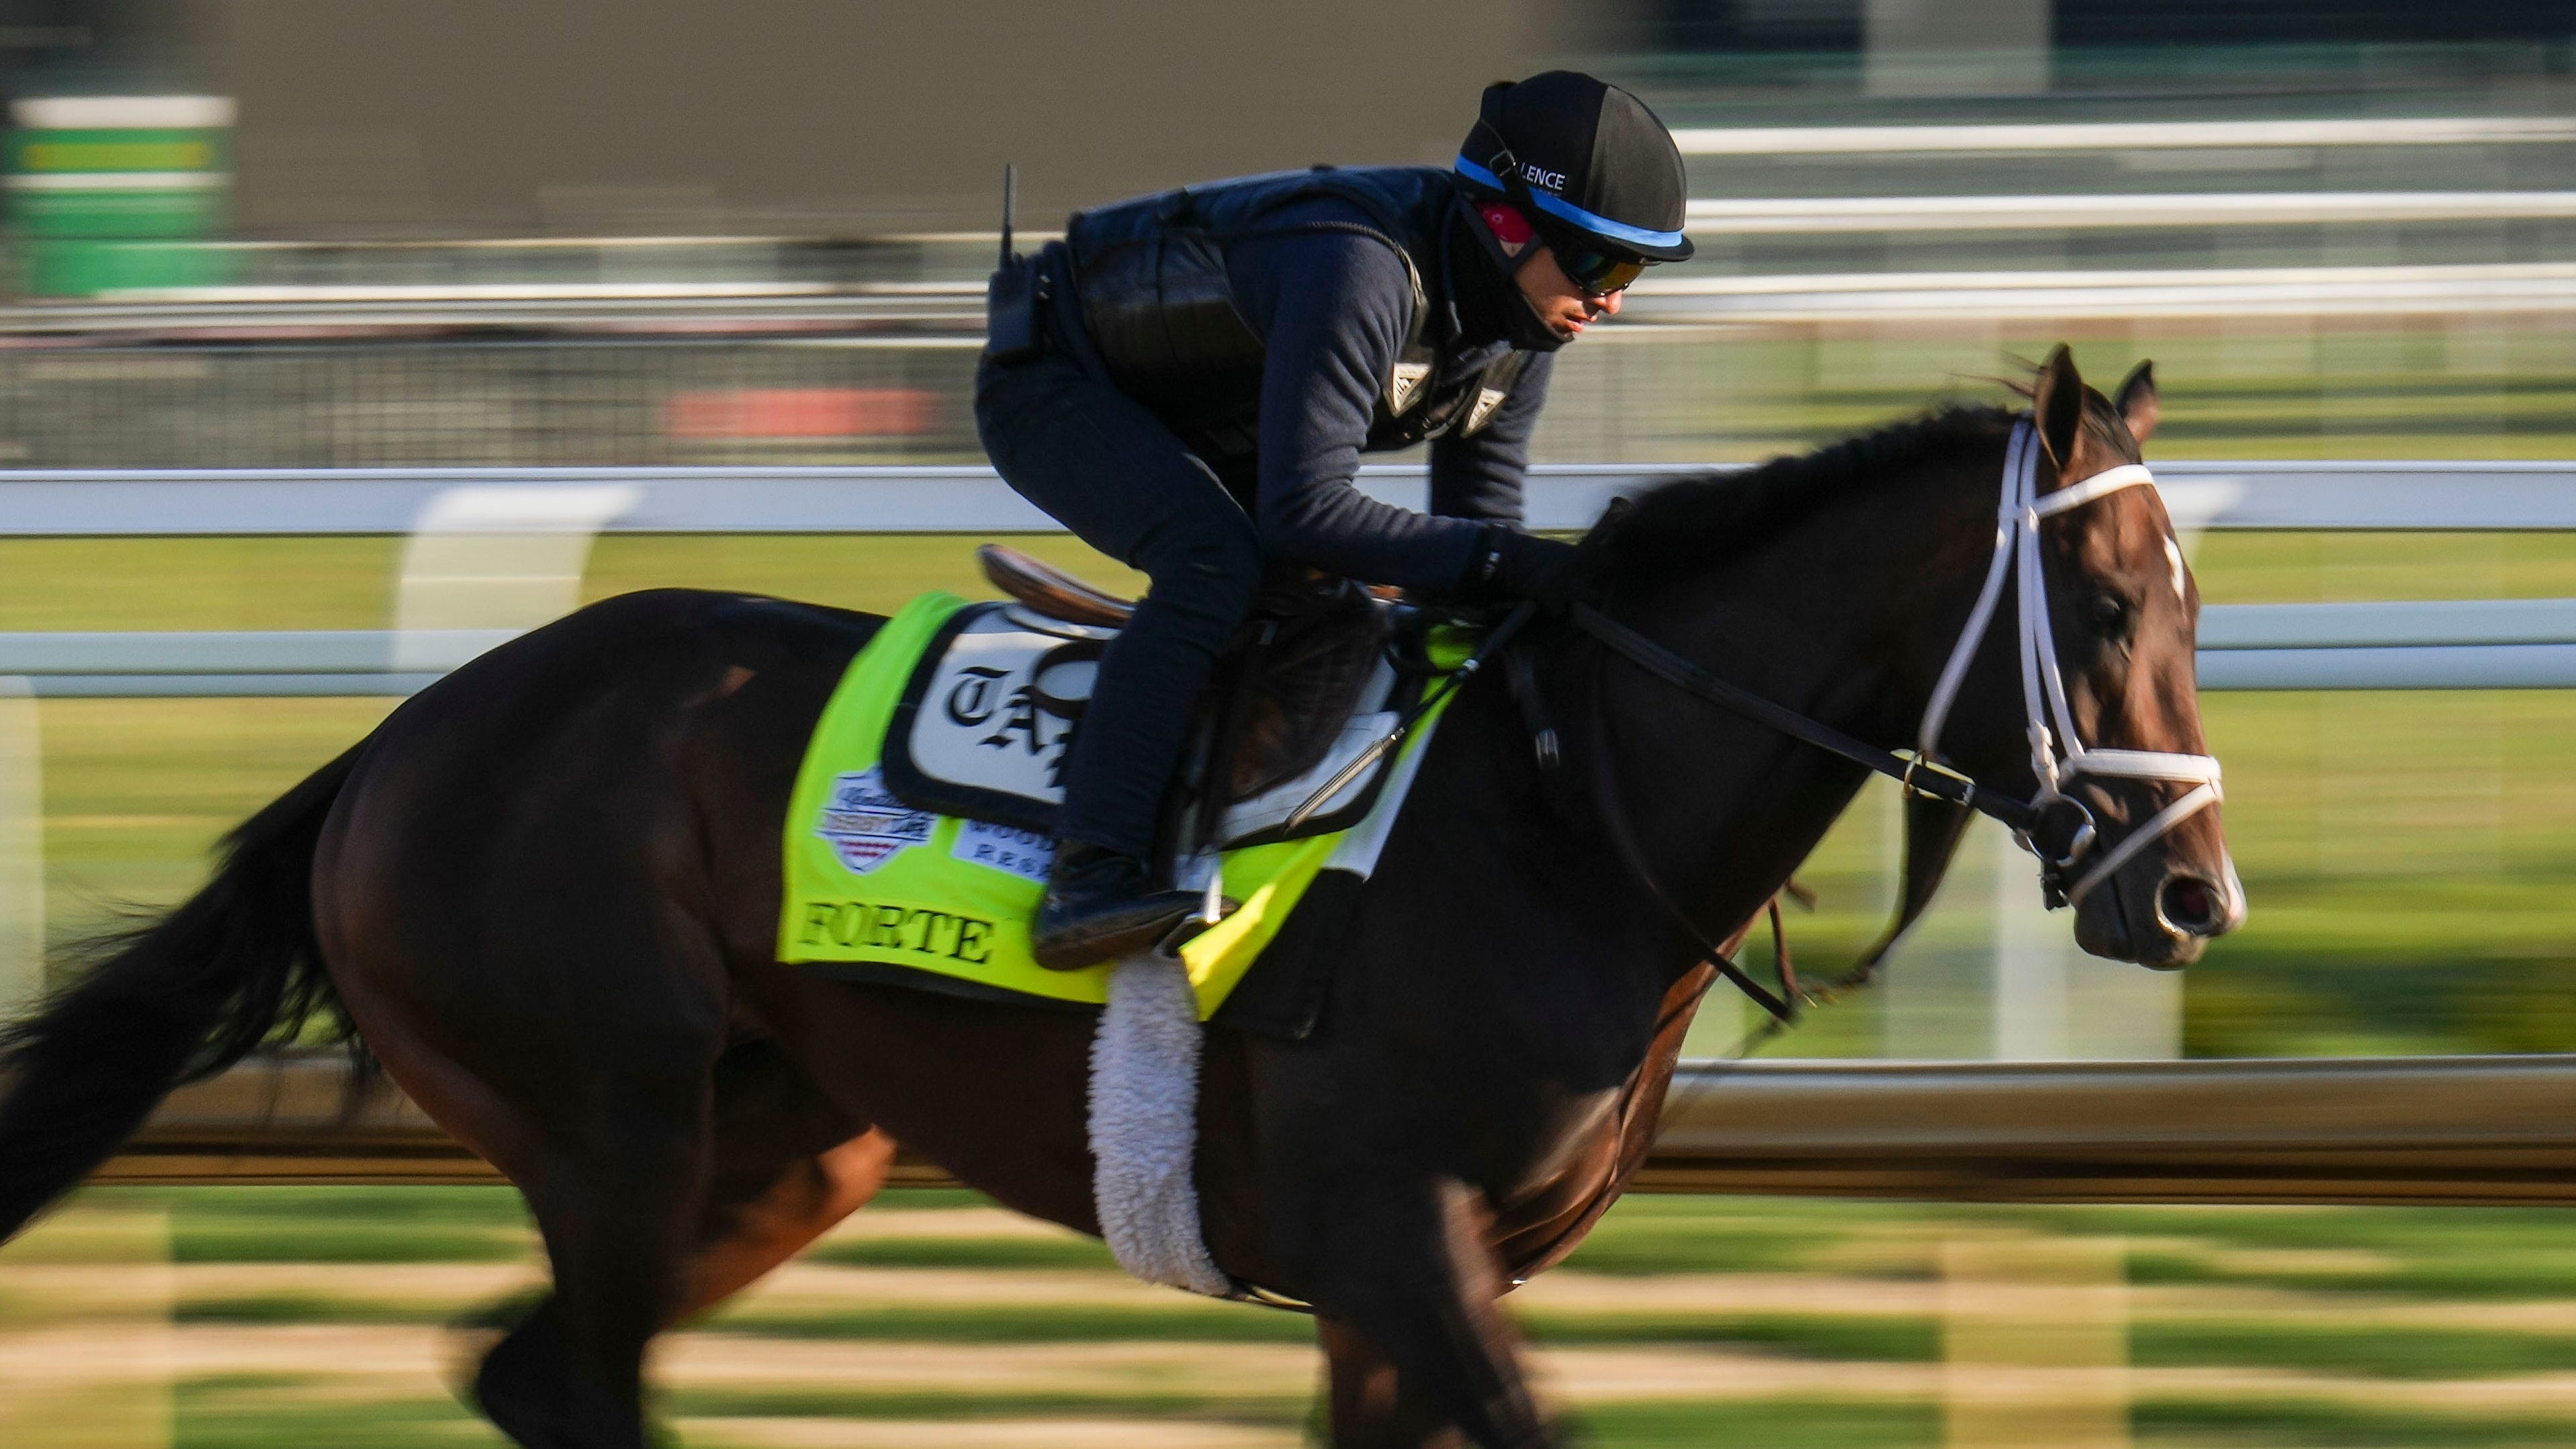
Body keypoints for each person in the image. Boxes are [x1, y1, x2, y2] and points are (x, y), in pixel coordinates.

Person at [973, 70, 1694, 969]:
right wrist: (1523, 565)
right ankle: (1089, 873)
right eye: (1598, 264)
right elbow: (1306, 512)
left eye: (1629, 272)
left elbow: (1476, 543)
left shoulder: (1521, 331)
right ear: (1507, 226)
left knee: (1359, 607)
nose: (1612, 300)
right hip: (1055, 380)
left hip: (1202, 408)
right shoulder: (1359, 268)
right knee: (1215, 561)